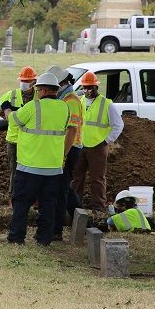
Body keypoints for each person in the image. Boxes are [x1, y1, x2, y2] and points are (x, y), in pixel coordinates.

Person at [3, 71, 75, 246]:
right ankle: (44, 239)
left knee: (21, 204)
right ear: (56, 90)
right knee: (48, 205)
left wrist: (6, 108)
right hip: (53, 169)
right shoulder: (64, 108)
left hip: (29, 167)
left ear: (42, 90)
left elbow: (13, 121)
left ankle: (16, 237)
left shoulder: (33, 107)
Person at [72, 71, 124, 211]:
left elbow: (118, 125)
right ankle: (75, 207)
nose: (87, 91)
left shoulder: (107, 104)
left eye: (90, 88)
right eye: (84, 88)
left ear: (96, 87)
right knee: (77, 178)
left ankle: (98, 208)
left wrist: (106, 140)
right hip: (80, 145)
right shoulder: (80, 101)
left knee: (98, 179)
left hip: (98, 147)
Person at [46, 65, 84, 240]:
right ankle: (84, 224)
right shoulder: (64, 98)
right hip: (65, 149)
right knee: (65, 189)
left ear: (61, 83)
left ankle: (56, 231)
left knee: (61, 191)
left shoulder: (71, 100)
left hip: (70, 149)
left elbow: (72, 130)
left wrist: (63, 154)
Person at [0, 66, 38, 193]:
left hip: (32, 140)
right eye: (22, 81)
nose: (23, 84)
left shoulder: (39, 96)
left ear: (34, 82)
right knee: (15, 170)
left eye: (27, 81)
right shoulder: (11, 94)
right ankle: (13, 196)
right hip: (14, 140)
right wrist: (8, 117)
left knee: (31, 169)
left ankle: (29, 195)